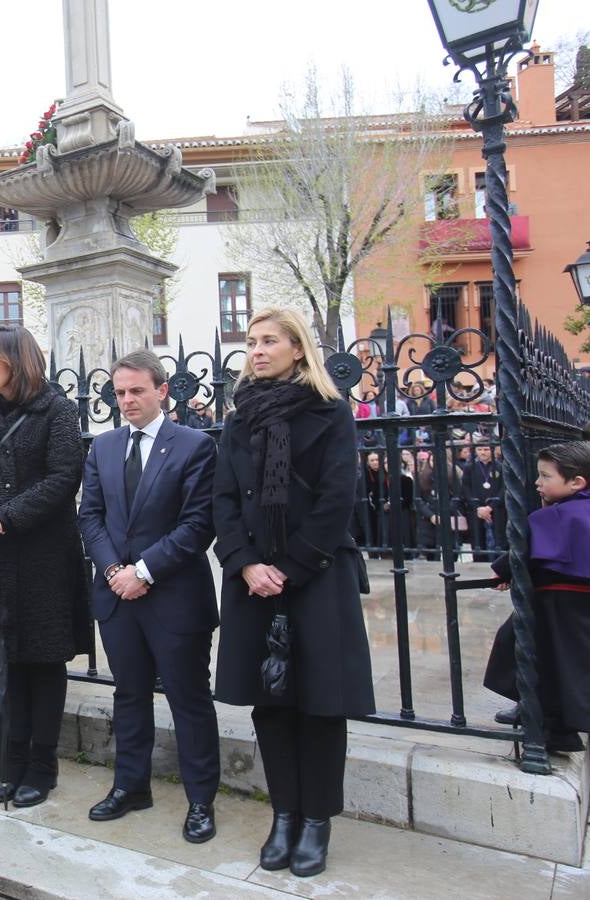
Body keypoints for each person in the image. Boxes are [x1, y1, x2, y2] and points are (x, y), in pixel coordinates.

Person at [212, 307, 374, 879]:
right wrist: (247, 564)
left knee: (321, 704)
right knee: (271, 703)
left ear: (298, 349)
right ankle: (284, 814)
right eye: (251, 341)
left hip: (316, 577)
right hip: (253, 582)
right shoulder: (238, 420)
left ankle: (317, 820)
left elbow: (337, 498)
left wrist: (292, 565)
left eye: (269, 341)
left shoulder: (330, 412)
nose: (256, 350)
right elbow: (224, 500)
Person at [77, 350, 220, 840]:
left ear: (162, 390)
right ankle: (131, 786)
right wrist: (115, 569)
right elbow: (90, 517)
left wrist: (144, 571)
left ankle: (201, 800)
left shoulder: (194, 446)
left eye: (136, 390)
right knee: (129, 695)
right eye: (119, 393)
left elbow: (198, 524)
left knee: (189, 699)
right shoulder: (104, 446)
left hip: (174, 596)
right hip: (118, 596)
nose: (127, 400)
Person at [0, 325, 90, 808]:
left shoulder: (57, 410)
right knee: (3, 662)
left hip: (43, 558)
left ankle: (42, 766)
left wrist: (1, 517)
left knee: (43, 664)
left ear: (16, 359)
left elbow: (62, 479)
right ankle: (10, 765)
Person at [482, 441, 590, 753]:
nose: (537, 483)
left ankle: (549, 724)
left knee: (523, 650)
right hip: (576, 604)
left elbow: (523, 551)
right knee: (569, 664)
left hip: (553, 605)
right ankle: (548, 718)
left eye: (545, 477)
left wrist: (503, 573)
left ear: (576, 482)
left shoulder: (553, 516)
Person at [463, 442, 504, 560]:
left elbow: (504, 489)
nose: (482, 452)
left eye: (486, 449)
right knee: (478, 542)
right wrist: (477, 507)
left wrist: (490, 507)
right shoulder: (469, 467)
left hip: (496, 510)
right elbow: (466, 488)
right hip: (476, 511)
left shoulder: (500, 466)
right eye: (479, 449)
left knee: (499, 541)